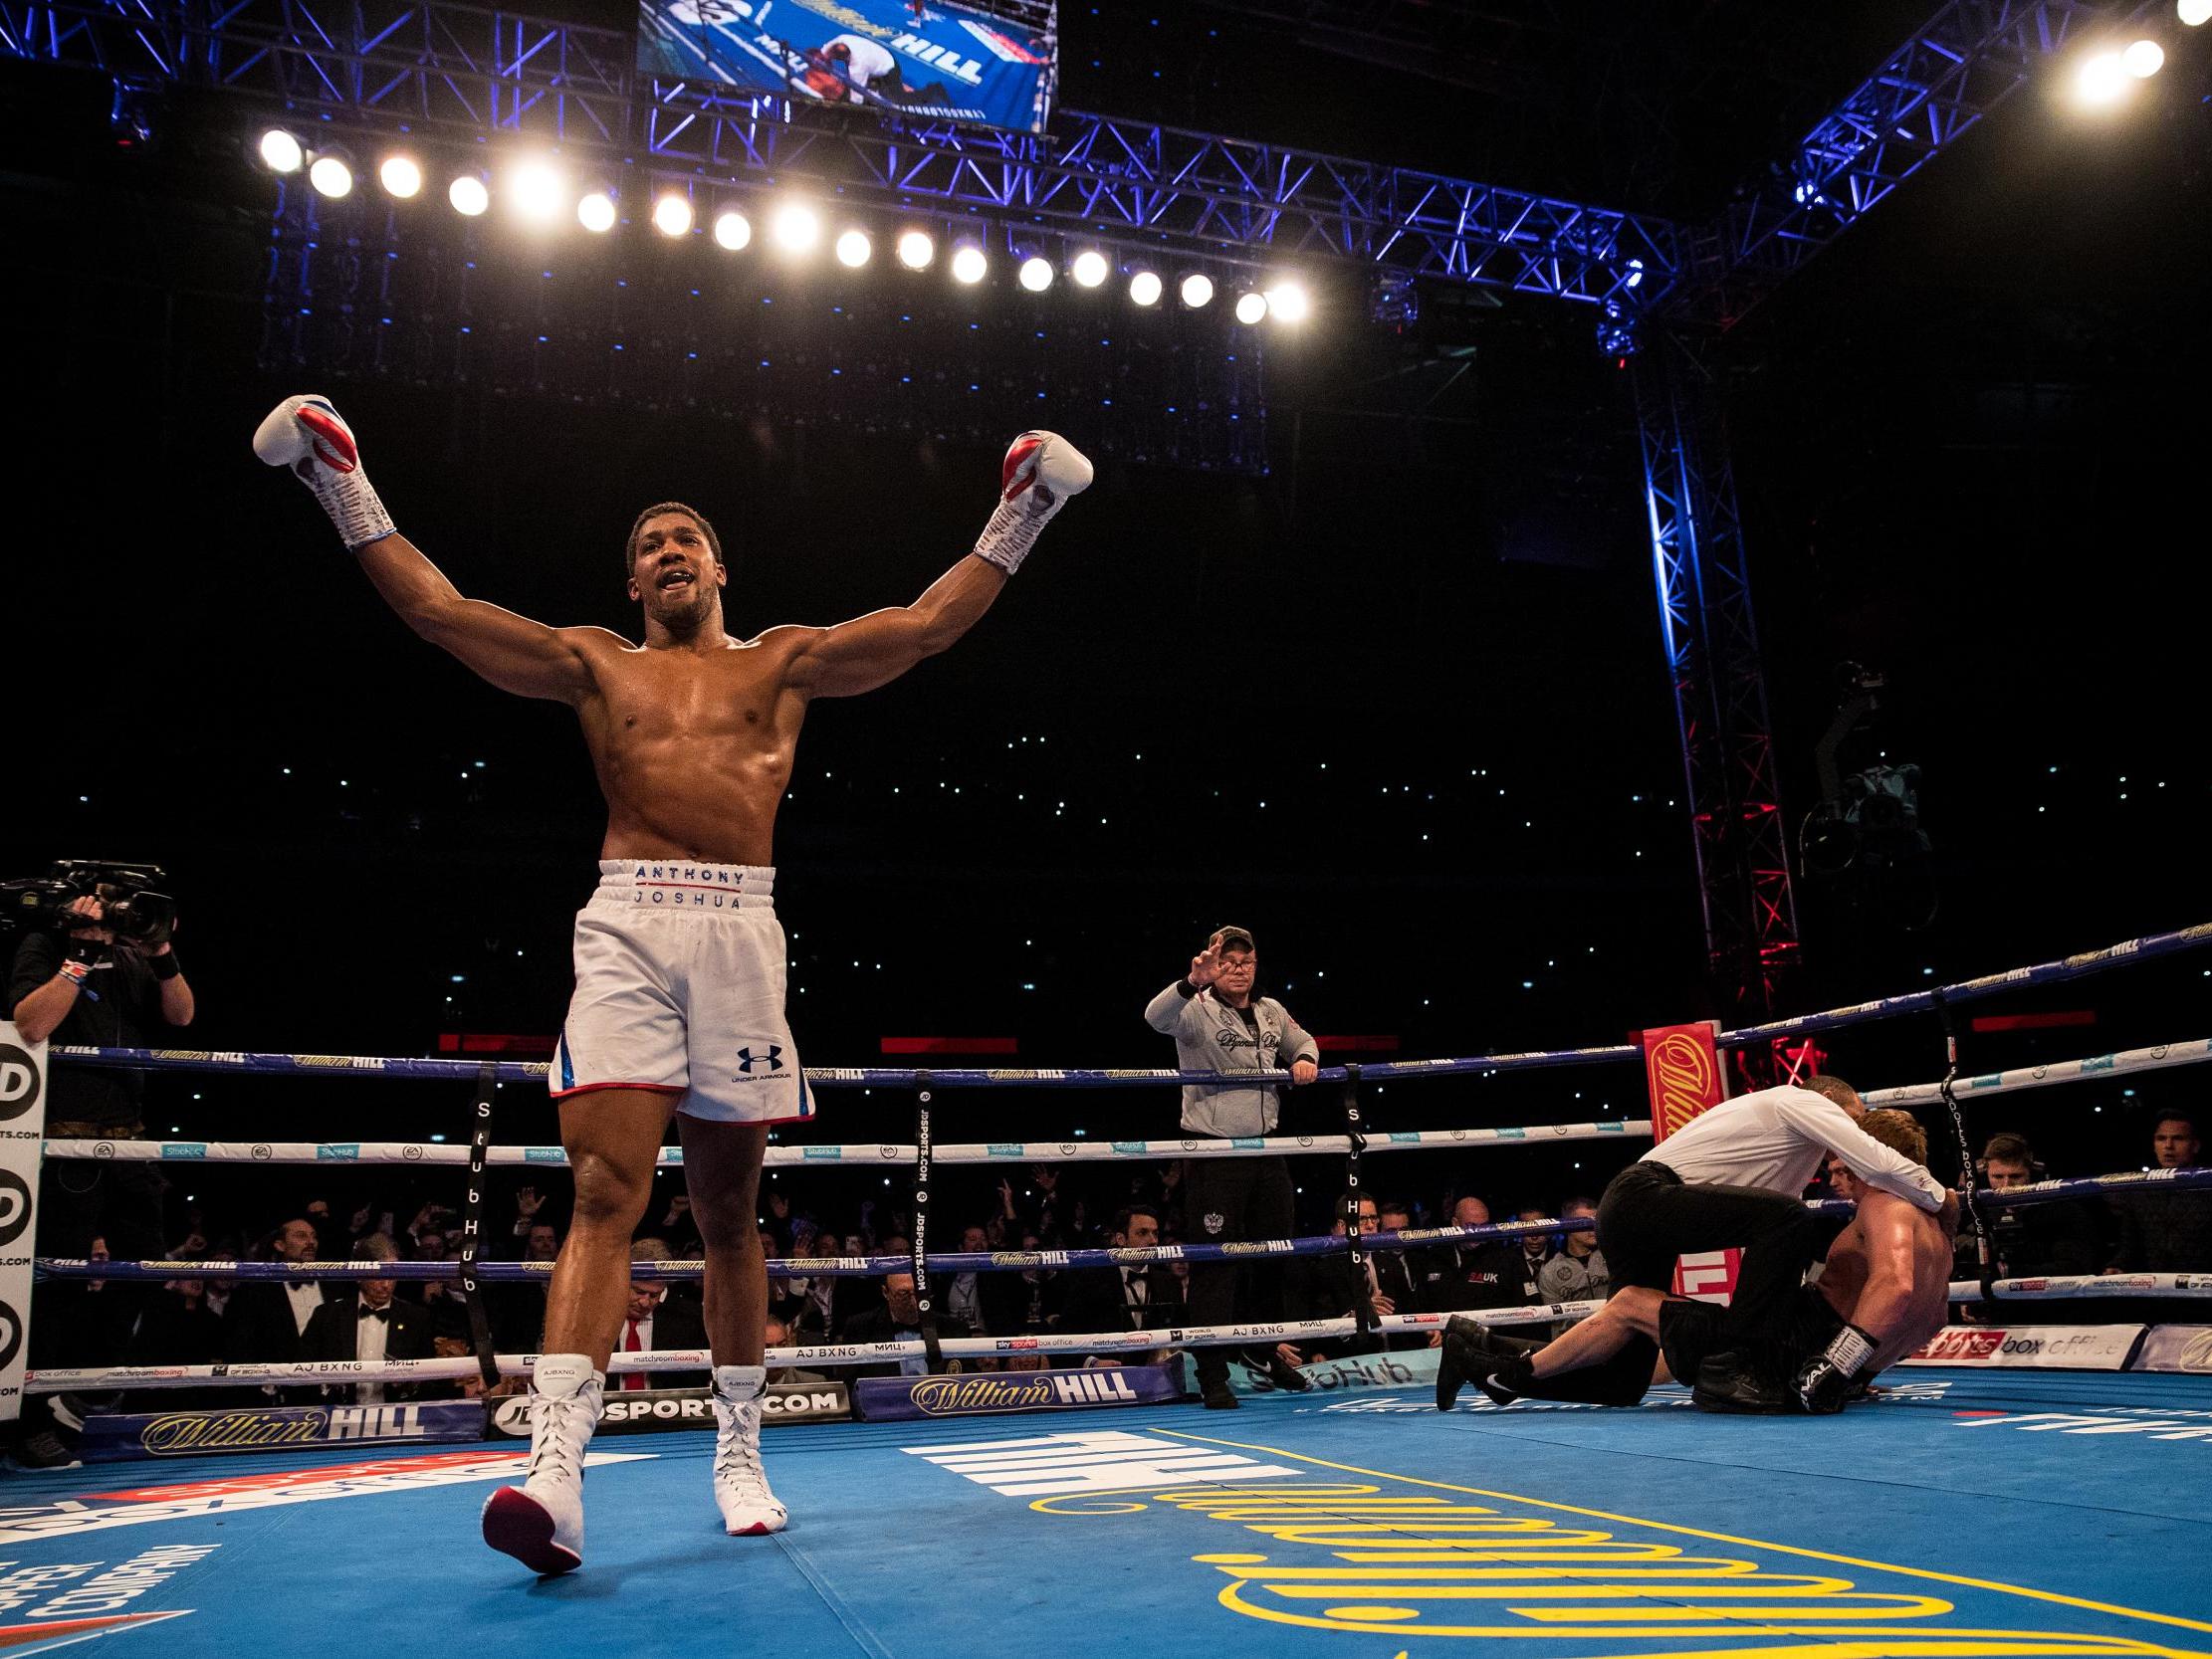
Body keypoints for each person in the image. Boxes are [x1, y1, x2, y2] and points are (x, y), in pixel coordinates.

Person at [256, 393, 1090, 1573]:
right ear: (634, 583)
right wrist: (338, 481)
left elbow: (919, 628)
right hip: (629, 922)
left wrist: (1027, 508)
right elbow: (442, 615)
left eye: (685, 538)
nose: (668, 552)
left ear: (718, 565)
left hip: (742, 931)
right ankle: (554, 1468)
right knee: (605, 1193)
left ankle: (738, 1446)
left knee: (727, 1215)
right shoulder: (593, 663)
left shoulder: (785, 663)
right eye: (649, 545)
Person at [1438, 1076, 1953, 1409]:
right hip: (1646, 1195)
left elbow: (1780, 1250)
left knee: (1628, 1372)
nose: (1847, 1139)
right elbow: (1900, 1283)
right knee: (1788, 1222)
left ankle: (1490, 1361)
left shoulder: (1799, 1163)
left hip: (1651, 1211)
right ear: (1832, 1107)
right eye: (1848, 1119)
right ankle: (1739, 1363)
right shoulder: (1798, 1103)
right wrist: (1946, 1198)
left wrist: (1844, 1367)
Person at [9, 890, 197, 1463]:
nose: (113, 915)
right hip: (67, 1139)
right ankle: (28, 1419)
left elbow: (182, 1014)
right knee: (56, 1284)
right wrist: (80, 957)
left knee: (143, 1268)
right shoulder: (44, 945)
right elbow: (31, 1023)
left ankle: (80, 1388)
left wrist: (162, 949)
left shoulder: (138, 955)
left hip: (129, 1139)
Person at [1143, 925, 1319, 1408]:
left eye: (1246, 962)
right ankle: (1213, 1371)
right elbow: (1153, 1017)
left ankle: (1262, 1351)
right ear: (1214, 965)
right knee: (1216, 1268)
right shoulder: (1195, 1010)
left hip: (1266, 1151)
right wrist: (1190, 980)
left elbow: (1304, 1041)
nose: (1238, 970)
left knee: (1273, 1256)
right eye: (1228, 962)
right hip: (1214, 1153)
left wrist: (1303, 1058)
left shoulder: (1270, 1011)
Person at [302, 1234, 436, 1404]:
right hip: (337, 1416)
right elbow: (303, 1370)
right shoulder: (328, 1315)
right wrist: (326, 1384)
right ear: (359, 1275)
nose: (386, 1284)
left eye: (392, 1274)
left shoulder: (416, 1318)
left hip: (396, 1419)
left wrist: (408, 1385)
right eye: (378, 1275)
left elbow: (431, 1380)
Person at [1056, 1204, 1179, 1365]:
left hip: (1160, 1380)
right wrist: (1092, 1363)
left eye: (1155, 1233)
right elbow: (1065, 1332)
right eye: (1142, 1233)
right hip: (1104, 1379)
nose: (1153, 1241)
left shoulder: (1169, 1282)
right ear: (1121, 1239)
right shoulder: (1091, 1280)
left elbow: (1181, 1332)